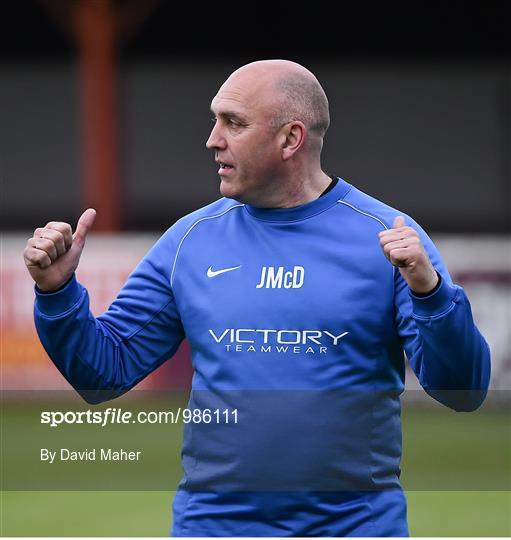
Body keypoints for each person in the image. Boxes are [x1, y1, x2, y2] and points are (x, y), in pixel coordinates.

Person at [24, 59, 490, 537]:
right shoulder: (191, 241)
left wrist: (430, 293)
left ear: (291, 139)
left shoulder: (387, 238)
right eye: (215, 119)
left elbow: (464, 391)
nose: (213, 139)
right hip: (213, 528)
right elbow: (102, 371)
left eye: (234, 122)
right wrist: (56, 292)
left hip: (355, 528)